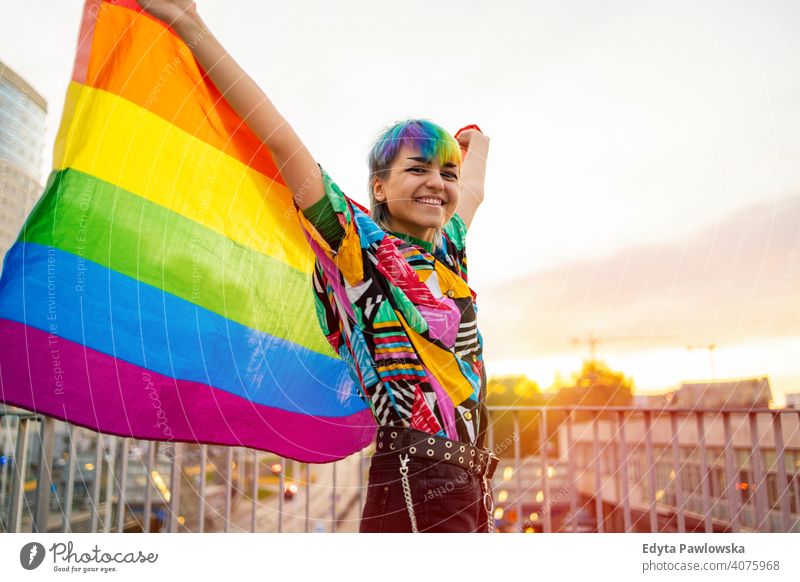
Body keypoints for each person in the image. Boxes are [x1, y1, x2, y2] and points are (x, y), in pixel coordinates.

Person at [137, 0, 496, 533]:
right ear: (379, 187)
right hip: (416, 478)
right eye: (416, 169)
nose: (436, 183)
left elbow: (473, 190)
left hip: (470, 481)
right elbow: (281, 141)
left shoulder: (449, 250)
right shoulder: (361, 248)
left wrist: (475, 143)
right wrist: (190, 25)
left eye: (445, 172)